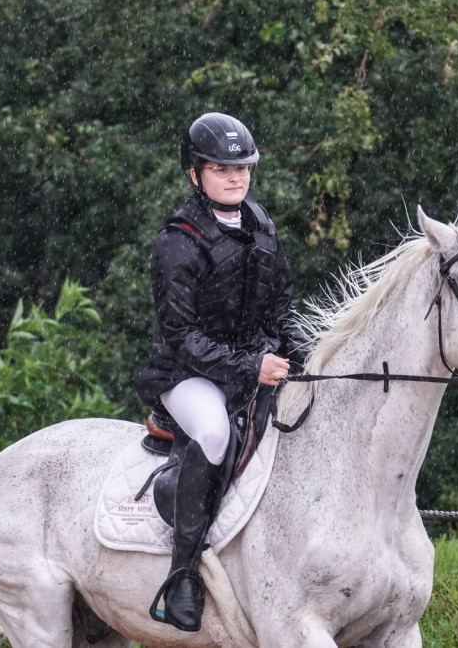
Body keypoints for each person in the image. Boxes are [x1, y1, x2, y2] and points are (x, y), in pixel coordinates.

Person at [135, 112, 311, 632]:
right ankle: (182, 576)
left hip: (251, 365)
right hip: (186, 375)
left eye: (243, 168)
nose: (235, 178)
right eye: (220, 169)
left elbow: (281, 308)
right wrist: (251, 365)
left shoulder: (261, 227)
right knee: (213, 432)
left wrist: (301, 352)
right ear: (195, 174)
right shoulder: (178, 242)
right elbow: (181, 338)